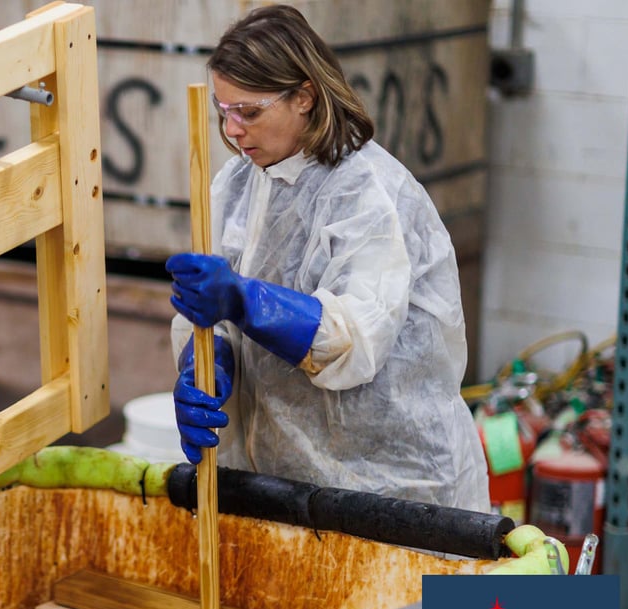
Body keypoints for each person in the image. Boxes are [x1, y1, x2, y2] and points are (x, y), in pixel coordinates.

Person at [168, 5, 488, 512]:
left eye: (249, 112)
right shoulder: (235, 186)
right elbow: (216, 321)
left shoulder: (370, 193)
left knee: (430, 598)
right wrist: (205, 368)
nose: (232, 131)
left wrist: (243, 299)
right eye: (222, 111)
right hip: (289, 484)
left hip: (394, 489)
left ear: (304, 97)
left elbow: (351, 343)